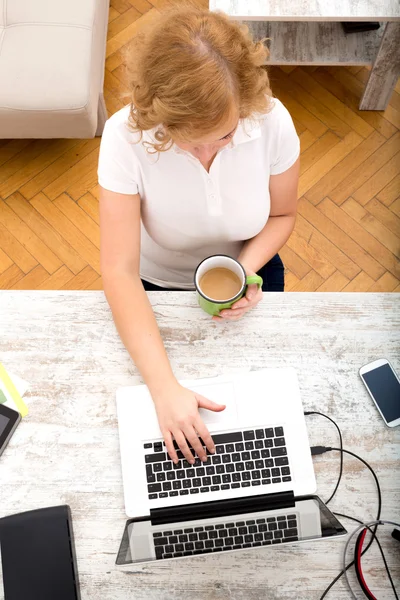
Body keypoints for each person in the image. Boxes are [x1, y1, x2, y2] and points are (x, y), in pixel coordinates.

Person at [98, 6, 300, 468]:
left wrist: (242, 273)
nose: (211, 150)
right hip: (154, 286)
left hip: (251, 267)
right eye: (192, 141)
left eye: (226, 134)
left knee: (256, 414)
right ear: (161, 118)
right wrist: (164, 391)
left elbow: (284, 214)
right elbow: (119, 271)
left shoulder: (272, 121)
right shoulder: (122, 138)